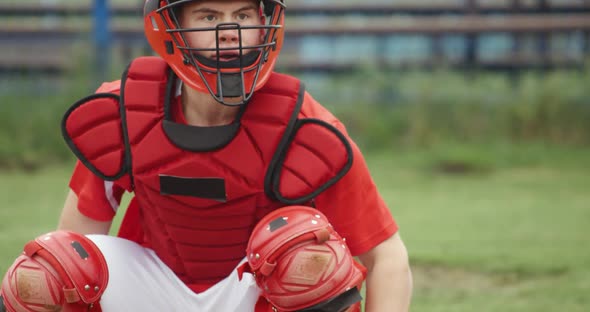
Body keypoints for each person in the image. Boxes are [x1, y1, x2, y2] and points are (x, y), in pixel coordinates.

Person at [1, 0, 412, 311]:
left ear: (265, 22)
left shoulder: (304, 125)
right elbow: (75, 243)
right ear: (172, 26)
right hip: (153, 288)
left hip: (252, 293)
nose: (230, 31)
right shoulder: (126, 111)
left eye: (245, 16)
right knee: (52, 268)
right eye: (210, 17)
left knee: (304, 254)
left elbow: (387, 256)